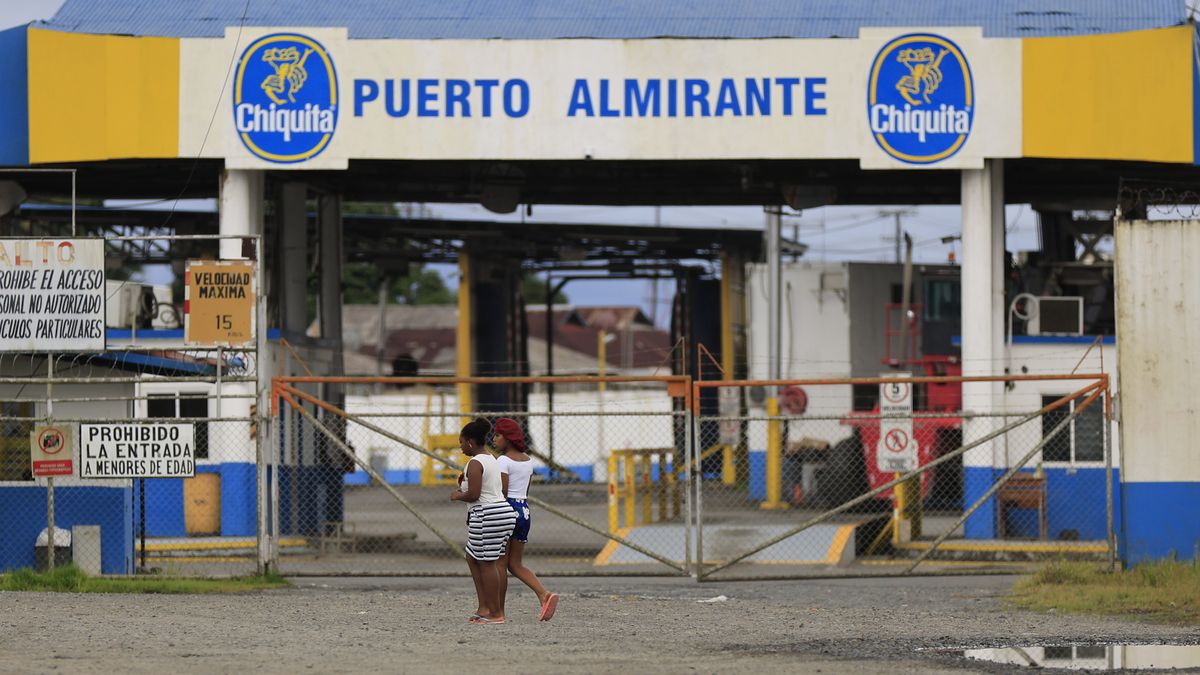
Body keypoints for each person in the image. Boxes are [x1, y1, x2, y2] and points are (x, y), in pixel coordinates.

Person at [491, 417, 559, 622]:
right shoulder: (528, 461)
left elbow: (501, 491)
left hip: (507, 508)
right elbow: (526, 490)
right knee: (516, 564)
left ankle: (498, 612)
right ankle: (543, 594)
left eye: (498, 435)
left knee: (500, 564)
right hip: (524, 510)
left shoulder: (502, 461)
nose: (494, 438)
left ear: (508, 438)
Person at [451, 418, 517, 625]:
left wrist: (457, 495)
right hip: (503, 513)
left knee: (487, 564)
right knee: (473, 557)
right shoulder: (492, 459)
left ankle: (496, 613)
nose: (460, 447)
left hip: (486, 515)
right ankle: (484, 607)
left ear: (470, 441)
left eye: (461, 442)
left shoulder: (474, 463)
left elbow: (474, 494)